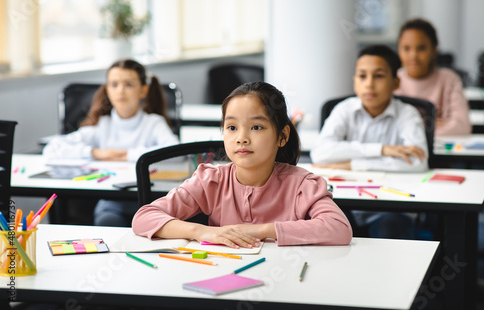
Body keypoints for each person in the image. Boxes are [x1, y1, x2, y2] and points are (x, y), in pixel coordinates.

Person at [132, 82, 352, 247]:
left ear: (282, 136)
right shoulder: (211, 180)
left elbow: (339, 228)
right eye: (232, 128)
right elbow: (144, 217)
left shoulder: (301, 185)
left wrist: (261, 231)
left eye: (256, 127)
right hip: (223, 275)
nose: (241, 138)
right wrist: (202, 232)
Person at [310, 45, 427, 239]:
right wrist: (382, 150)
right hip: (347, 204)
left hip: (391, 207)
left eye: (379, 76)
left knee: (388, 231)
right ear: (355, 81)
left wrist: (353, 164)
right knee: (325, 226)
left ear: (395, 82)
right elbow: (320, 153)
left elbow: (418, 162)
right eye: (362, 76)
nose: (369, 84)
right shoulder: (344, 109)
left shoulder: (408, 114)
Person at [43, 59, 179, 226]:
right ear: (107, 90)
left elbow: (175, 152)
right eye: (114, 84)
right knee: (106, 221)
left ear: (143, 90)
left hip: (153, 203)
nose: (120, 90)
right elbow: (52, 149)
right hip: (112, 203)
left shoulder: (153, 123)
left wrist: (125, 154)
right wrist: (96, 153)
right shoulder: (101, 125)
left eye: (128, 84)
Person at [395, 18, 471, 136]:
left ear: (434, 50)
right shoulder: (391, 80)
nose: (413, 55)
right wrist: (429, 125)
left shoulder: (450, 80)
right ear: (398, 50)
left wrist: (413, 130)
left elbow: (462, 126)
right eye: (406, 48)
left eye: (421, 48)